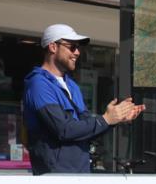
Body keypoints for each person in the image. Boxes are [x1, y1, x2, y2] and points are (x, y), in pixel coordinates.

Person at [23, 24, 144, 175]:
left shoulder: (71, 85)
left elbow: (86, 127)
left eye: (78, 47)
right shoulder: (39, 84)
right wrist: (105, 120)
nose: (77, 52)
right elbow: (64, 129)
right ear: (53, 47)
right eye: (72, 47)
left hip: (80, 173)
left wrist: (115, 119)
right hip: (55, 178)